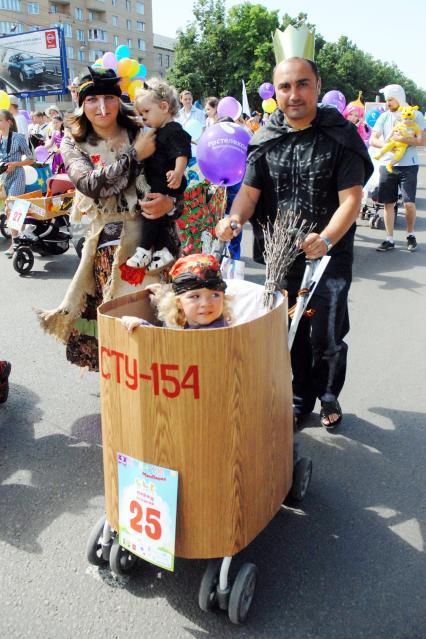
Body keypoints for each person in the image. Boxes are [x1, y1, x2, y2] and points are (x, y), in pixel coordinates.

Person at [216, 57, 373, 429]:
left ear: (318, 86)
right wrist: (235, 217)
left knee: (326, 333)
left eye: (303, 84)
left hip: (328, 257)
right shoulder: (266, 137)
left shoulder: (340, 135)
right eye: (285, 86)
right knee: (292, 329)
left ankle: (329, 393)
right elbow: (249, 194)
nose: (294, 94)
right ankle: (300, 394)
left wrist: (327, 238)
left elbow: (351, 198)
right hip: (280, 255)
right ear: (276, 92)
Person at [36, 67, 185, 372]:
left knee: (163, 321)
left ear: (120, 100)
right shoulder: (72, 142)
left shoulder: (143, 128)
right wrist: (134, 156)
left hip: (157, 242)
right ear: (81, 102)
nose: (102, 107)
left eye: (109, 98)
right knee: (124, 327)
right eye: (93, 100)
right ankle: (126, 400)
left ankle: (163, 398)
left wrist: (170, 202)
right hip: (110, 250)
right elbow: (92, 184)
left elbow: (178, 178)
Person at [126, 78, 191, 271]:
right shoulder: (158, 130)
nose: (143, 117)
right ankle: (164, 249)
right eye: (140, 113)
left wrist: (178, 171)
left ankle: (145, 249)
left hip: (166, 180)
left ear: (164, 106)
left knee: (151, 213)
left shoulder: (174, 130)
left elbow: (182, 152)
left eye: (146, 112)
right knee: (158, 216)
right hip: (156, 179)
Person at [370, 84, 426, 252]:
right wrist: (386, 144)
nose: (387, 104)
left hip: (409, 165)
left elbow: (422, 141)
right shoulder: (384, 117)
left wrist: (404, 139)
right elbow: (373, 139)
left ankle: (410, 235)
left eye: (390, 100)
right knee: (388, 203)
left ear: (399, 98)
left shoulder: (415, 115)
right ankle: (390, 239)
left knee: (409, 203)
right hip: (387, 165)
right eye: (386, 100)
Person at [121, 253, 231, 331]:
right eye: (195, 296)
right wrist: (162, 294)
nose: (206, 303)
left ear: (223, 298)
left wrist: (144, 328)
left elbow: (176, 345)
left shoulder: (216, 331)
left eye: (215, 295)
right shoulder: (194, 321)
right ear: (179, 303)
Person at [0, 109, 33, 257]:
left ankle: (15, 243)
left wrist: (15, 164)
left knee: (13, 206)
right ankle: (22, 236)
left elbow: (31, 158)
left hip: (18, 174)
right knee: (10, 209)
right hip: (3, 177)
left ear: (9, 122)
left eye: (0, 120)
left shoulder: (18, 137)